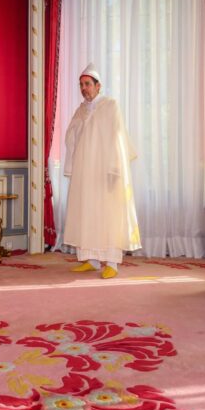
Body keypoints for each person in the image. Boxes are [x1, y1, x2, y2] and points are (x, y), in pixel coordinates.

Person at [63, 63, 141, 279]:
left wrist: (115, 168)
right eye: (81, 85)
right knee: (87, 213)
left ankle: (112, 263)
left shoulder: (110, 106)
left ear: (98, 86)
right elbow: (72, 137)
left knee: (108, 214)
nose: (84, 88)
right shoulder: (81, 110)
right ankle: (91, 259)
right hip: (85, 171)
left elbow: (117, 136)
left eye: (87, 84)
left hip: (105, 170)